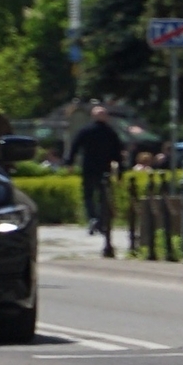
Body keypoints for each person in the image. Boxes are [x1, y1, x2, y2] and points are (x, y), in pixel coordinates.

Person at [68, 104, 125, 254]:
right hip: (104, 169)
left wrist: (69, 162)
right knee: (103, 196)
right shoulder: (110, 132)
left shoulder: (86, 130)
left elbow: (75, 146)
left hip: (89, 168)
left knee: (88, 195)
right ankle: (100, 220)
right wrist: (120, 172)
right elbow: (118, 153)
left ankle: (92, 218)